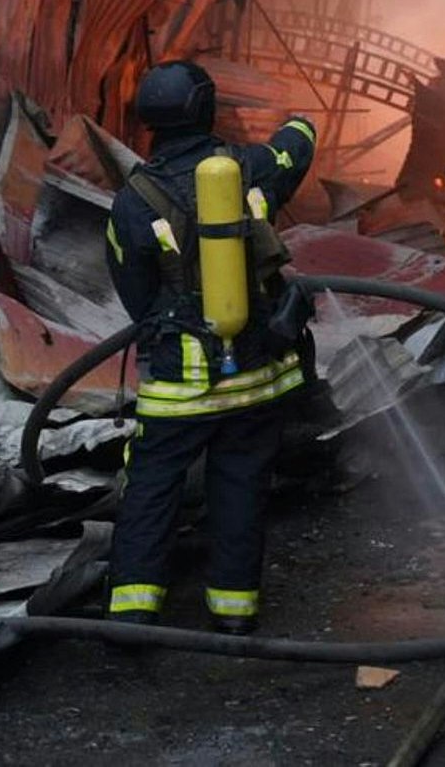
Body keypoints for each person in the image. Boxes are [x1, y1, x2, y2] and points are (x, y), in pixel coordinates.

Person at [103, 61, 317, 634]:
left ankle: (132, 608)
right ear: (206, 107)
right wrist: (301, 121)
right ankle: (233, 609)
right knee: (241, 484)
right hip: (254, 370)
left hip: (179, 381)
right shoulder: (246, 168)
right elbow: (293, 152)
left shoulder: (133, 200)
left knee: (151, 486)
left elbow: (134, 290)